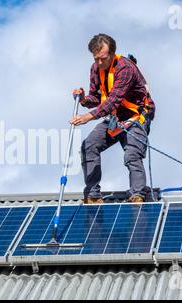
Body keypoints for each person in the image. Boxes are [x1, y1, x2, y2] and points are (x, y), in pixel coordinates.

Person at [71, 34, 156, 204]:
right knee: (89, 146)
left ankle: (137, 195)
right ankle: (93, 195)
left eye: (103, 58)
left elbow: (113, 100)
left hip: (135, 118)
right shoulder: (95, 69)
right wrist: (83, 100)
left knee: (132, 154)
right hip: (114, 118)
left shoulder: (125, 68)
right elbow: (96, 97)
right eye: (96, 59)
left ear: (112, 53)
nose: (100, 63)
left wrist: (88, 117)